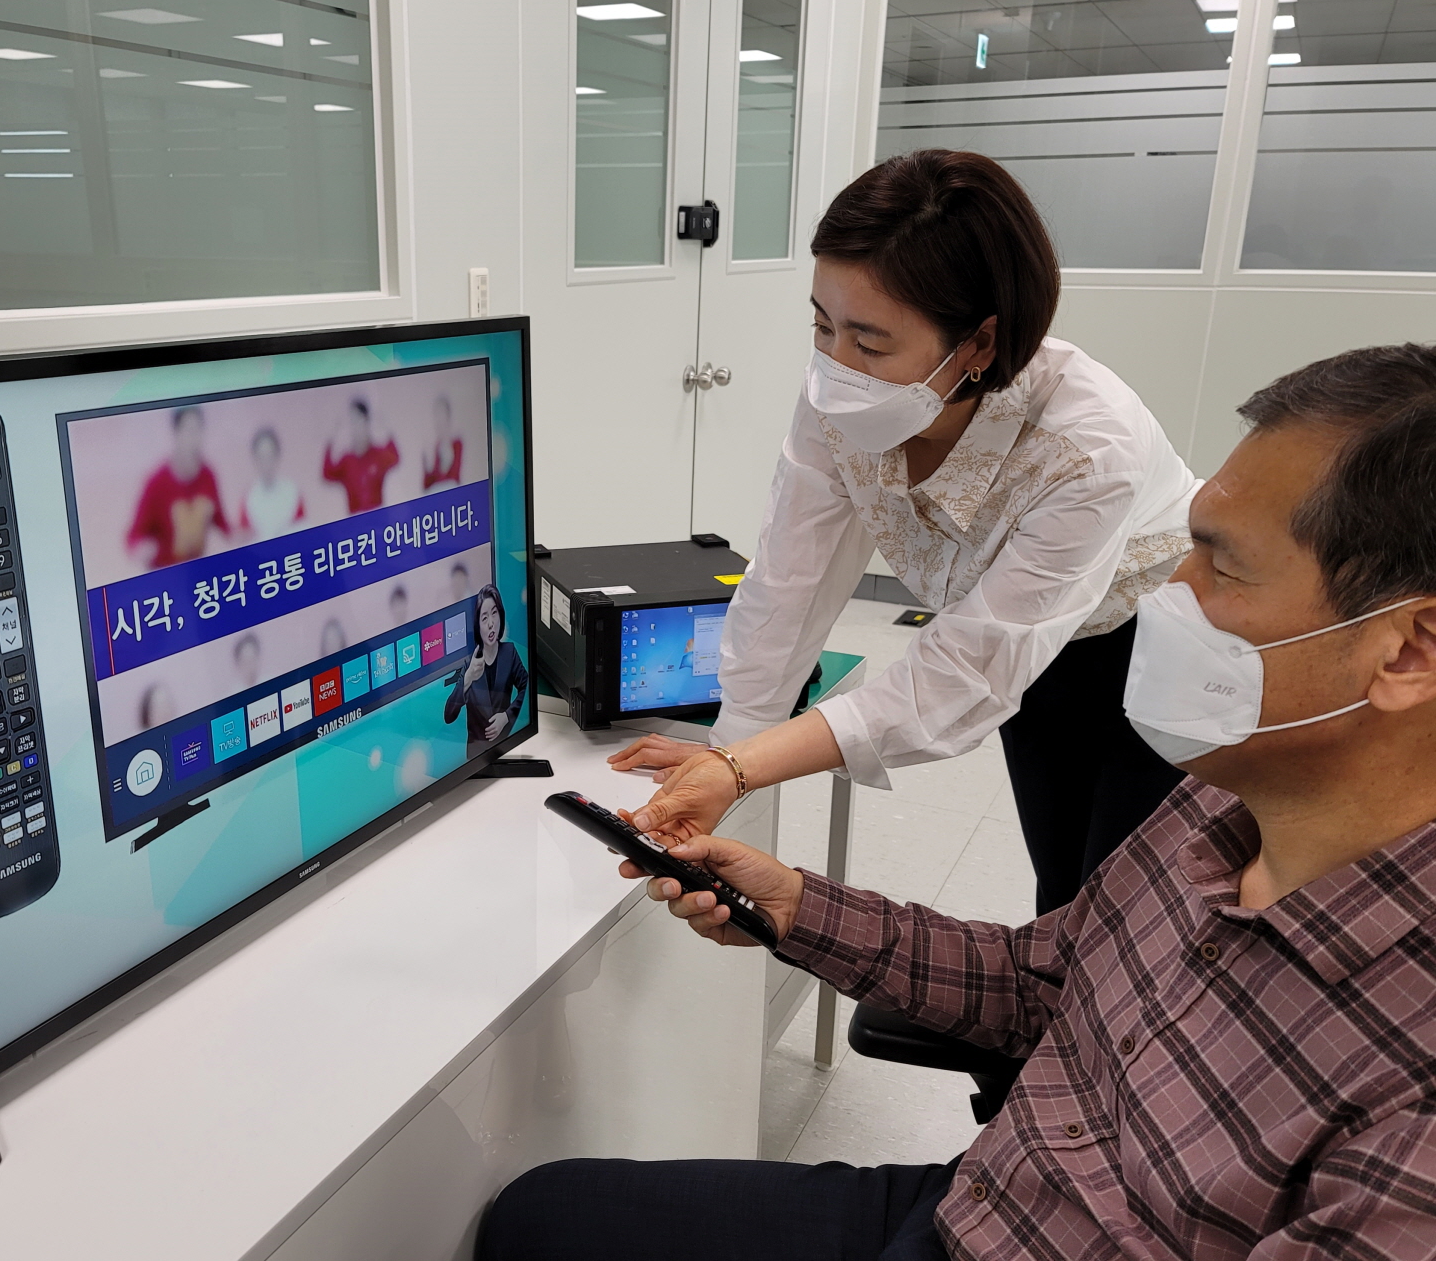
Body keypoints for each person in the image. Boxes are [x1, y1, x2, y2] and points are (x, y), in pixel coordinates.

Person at [482, 344, 1436, 1260]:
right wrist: (796, 905)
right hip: (987, 1201)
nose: (1168, 591)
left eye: (1221, 567)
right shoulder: (1210, 813)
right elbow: (1039, 982)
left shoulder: (1412, 1090)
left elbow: (956, 678)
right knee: (540, 1218)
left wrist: (743, 767)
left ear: (1408, 650)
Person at [610, 150, 1200, 914]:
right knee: (1062, 893)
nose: (836, 366)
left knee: (1128, 905)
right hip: (1036, 654)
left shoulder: (1086, 446)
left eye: (870, 343)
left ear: (979, 345)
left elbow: (965, 674)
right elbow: (793, 575)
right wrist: (732, 745)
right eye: (822, 325)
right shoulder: (842, 394)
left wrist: (744, 766)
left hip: (1157, 645)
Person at [127, 405, 229, 567]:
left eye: (198, 429)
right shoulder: (157, 483)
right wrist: (142, 548)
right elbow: (134, 535)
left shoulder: (208, 475)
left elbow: (221, 521)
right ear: (176, 433)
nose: (194, 438)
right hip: (165, 572)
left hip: (197, 570)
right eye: (189, 430)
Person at [444, 584, 527, 745]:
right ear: (477, 625)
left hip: (505, 745)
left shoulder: (509, 653)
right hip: (477, 752)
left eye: (494, 613)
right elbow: (448, 716)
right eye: (484, 618)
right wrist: (468, 678)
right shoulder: (470, 664)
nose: (491, 623)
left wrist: (506, 716)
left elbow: (526, 686)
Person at [322, 397, 400, 513]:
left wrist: (386, 427)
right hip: (356, 520)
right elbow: (327, 473)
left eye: (358, 420)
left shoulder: (378, 455)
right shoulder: (346, 460)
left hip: (379, 518)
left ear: (367, 421)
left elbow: (395, 458)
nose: (355, 427)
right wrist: (331, 439)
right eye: (352, 421)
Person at [239, 426, 304, 541]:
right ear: (255, 459)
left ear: (277, 456)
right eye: (261, 457)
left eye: (270, 455)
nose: (266, 463)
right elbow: (245, 541)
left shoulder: (292, 492)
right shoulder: (249, 498)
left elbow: (303, 533)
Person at [424, 394, 463, 490]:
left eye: (441, 414)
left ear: (448, 416)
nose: (438, 420)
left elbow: (452, 479)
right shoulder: (437, 446)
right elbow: (427, 485)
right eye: (436, 415)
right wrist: (425, 464)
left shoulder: (457, 444)